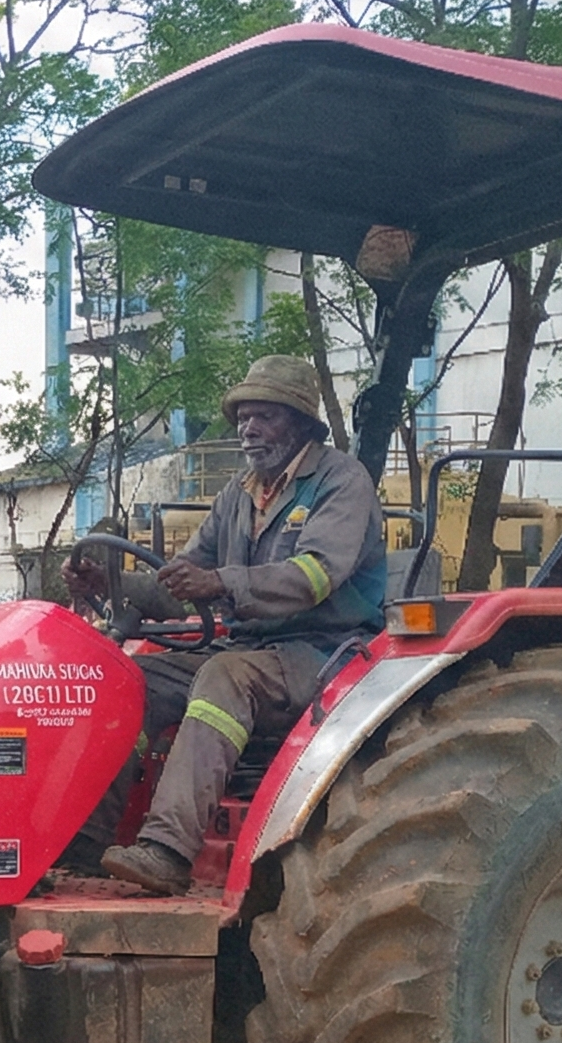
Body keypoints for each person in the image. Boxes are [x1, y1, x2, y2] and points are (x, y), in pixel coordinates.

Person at [80, 355, 388, 896]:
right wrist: (109, 583)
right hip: (250, 648)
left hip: (326, 654)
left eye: (265, 415)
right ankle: (84, 844)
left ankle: (167, 850)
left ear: (301, 424)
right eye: (244, 417)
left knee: (224, 677)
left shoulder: (341, 481)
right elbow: (182, 583)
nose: (248, 428)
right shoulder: (238, 495)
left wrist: (221, 582)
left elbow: (315, 576)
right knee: (130, 679)